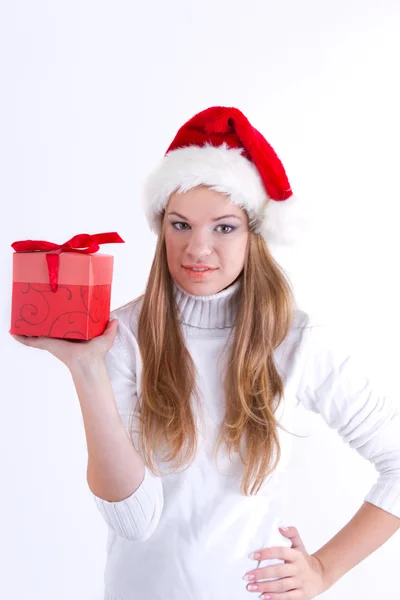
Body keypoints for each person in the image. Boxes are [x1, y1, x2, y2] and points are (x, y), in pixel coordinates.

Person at [11, 106, 400, 600]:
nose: (197, 248)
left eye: (223, 227)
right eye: (180, 225)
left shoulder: (297, 341)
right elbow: (134, 520)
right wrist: (86, 370)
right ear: (162, 228)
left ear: (254, 234)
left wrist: (323, 568)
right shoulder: (121, 336)